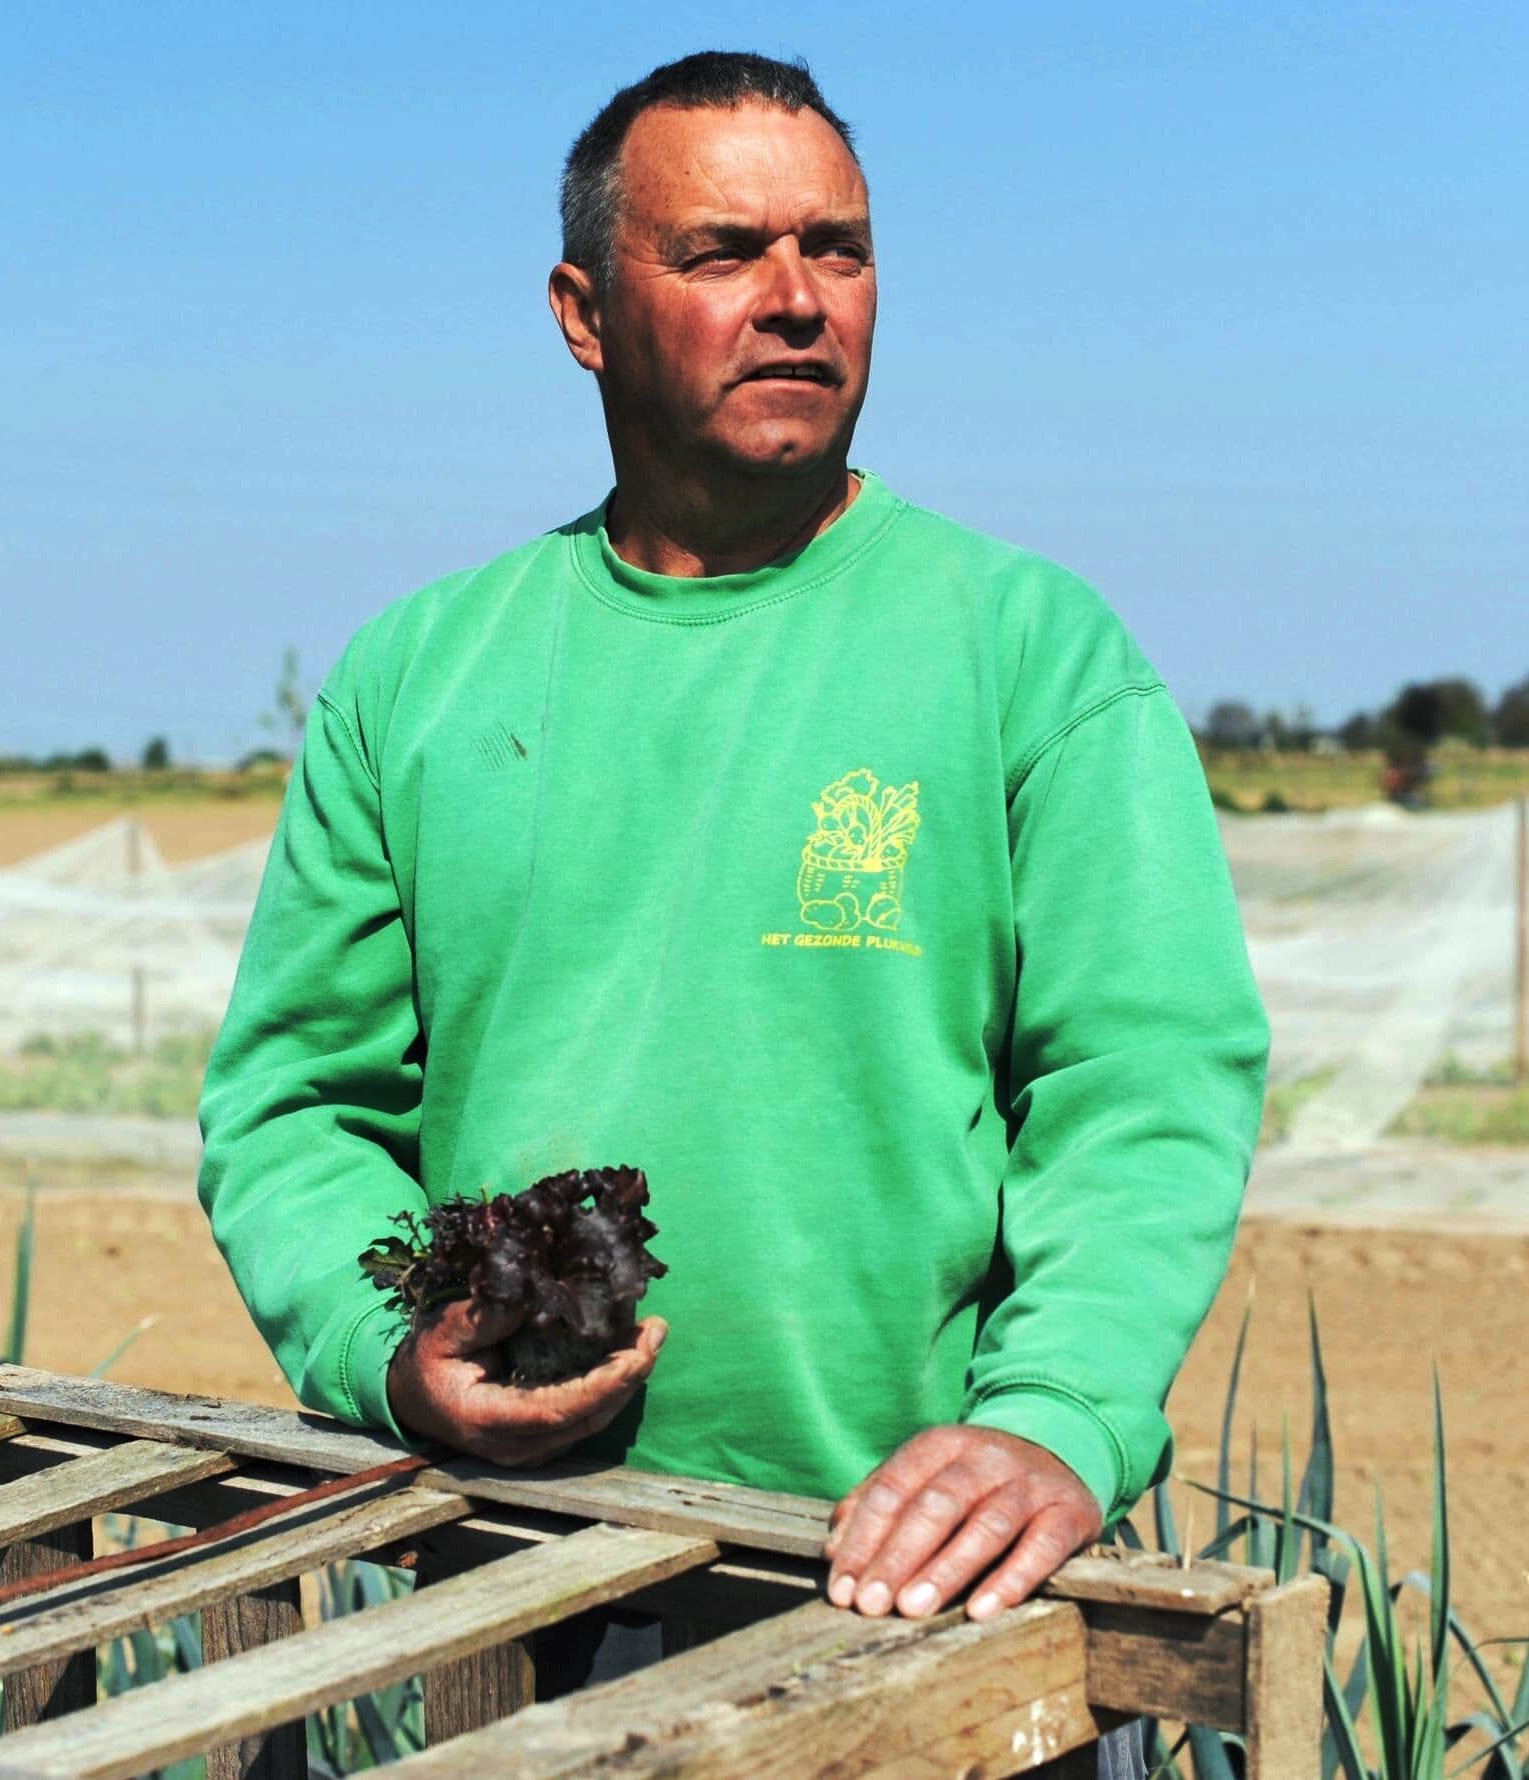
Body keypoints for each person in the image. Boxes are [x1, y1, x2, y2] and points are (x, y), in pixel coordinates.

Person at [197, 51, 1267, 1779]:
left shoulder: (1029, 649)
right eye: (722, 253)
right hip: (525, 1576)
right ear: (583, 313)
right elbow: (294, 1106)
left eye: (837, 249)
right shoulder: (421, 674)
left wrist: (1057, 1419)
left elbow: (1143, 1087)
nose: (795, 299)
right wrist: (388, 1353)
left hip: (926, 1586)